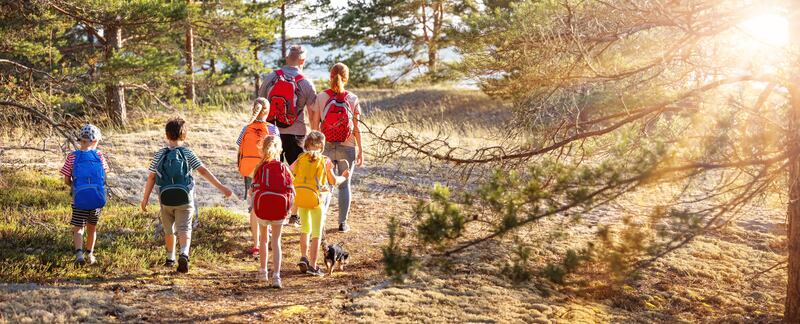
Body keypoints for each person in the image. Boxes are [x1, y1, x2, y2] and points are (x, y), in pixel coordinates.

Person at [140, 117, 233, 273]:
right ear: (185, 135)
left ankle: (170, 258)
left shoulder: (160, 154)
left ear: (166, 135)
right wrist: (221, 187)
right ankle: (184, 253)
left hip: (165, 200)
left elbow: (151, 177)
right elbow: (202, 171)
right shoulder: (187, 152)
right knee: (184, 228)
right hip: (185, 199)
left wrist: (145, 199)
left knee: (169, 229)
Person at [259, 44, 317, 227]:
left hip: (272, 132)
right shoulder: (305, 82)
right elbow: (314, 109)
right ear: (302, 61)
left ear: (286, 59)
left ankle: (268, 211)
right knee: (298, 174)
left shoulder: (271, 78)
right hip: (296, 134)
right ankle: (294, 216)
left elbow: (261, 103)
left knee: (269, 171)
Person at [309, 63, 364, 233]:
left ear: (330, 77)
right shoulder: (353, 98)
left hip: (325, 145)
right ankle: (342, 224)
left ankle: (321, 222)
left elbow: (315, 124)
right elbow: (356, 127)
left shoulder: (321, 97)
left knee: (325, 185)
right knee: (344, 184)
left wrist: (315, 148)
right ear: (346, 78)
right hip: (347, 146)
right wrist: (360, 149)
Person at [292, 131, 348, 276]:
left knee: (305, 229)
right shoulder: (325, 160)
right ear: (322, 146)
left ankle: (303, 257)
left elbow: (290, 172)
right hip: (317, 199)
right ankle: (313, 265)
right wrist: (344, 177)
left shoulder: (300, 158)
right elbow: (334, 181)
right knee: (316, 233)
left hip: (301, 197)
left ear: (306, 145)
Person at [61, 124, 110, 265]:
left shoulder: (72, 156)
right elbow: (104, 176)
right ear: (95, 141)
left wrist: (75, 187)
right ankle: (90, 254)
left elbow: (66, 180)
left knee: (78, 228)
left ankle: (79, 255)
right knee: (92, 228)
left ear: (80, 140)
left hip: (79, 199)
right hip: (96, 199)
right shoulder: (99, 155)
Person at [237, 98, 280, 257]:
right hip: (267, 170)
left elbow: (239, 146)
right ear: (268, 111)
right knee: (268, 200)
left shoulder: (246, 128)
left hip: (250, 171)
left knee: (254, 207)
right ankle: (267, 231)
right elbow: (278, 151)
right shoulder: (273, 129)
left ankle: (256, 245)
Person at [249, 135, 293, 288]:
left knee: (263, 240)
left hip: (263, 209)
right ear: (279, 149)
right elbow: (291, 190)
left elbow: (252, 190)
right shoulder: (284, 168)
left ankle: (263, 272)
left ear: (263, 148)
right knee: (276, 241)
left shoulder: (259, 167)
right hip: (280, 209)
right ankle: (276, 276)